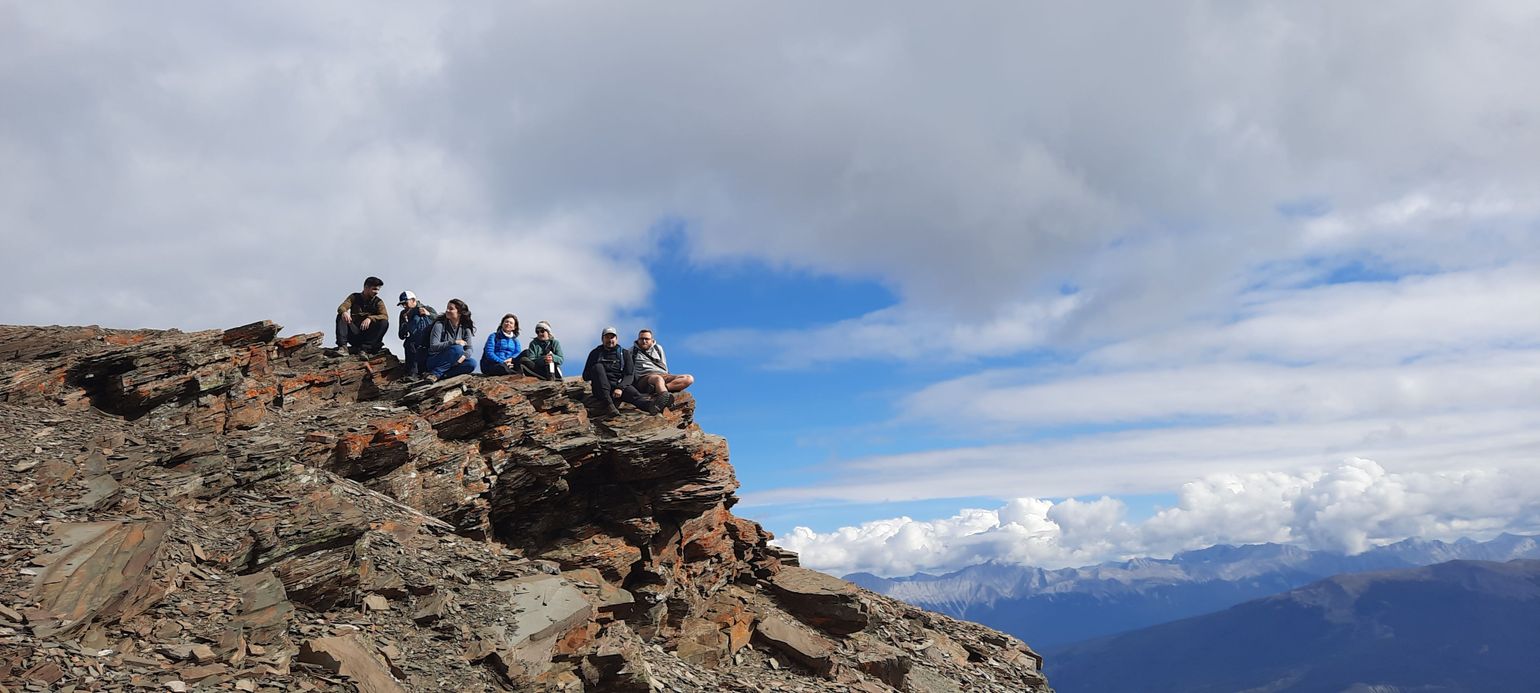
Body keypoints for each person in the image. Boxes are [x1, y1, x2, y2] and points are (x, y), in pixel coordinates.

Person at [583, 326, 668, 417]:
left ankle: (653, 407)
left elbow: (629, 374)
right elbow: (585, 376)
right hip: (601, 388)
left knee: (635, 395)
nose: (610, 340)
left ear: (616, 339)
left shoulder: (624, 353)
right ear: (602, 339)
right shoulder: (595, 353)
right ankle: (609, 406)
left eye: (612, 337)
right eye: (607, 337)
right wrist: (597, 374)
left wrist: (620, 387)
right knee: (597, 367)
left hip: (617, 386)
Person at [330, 276, 389, 356]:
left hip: (368, 336)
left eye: (378, 289)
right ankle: (343, 348)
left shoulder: (378, 302)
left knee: (384, 322)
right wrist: (344, 312)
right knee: (341, 316)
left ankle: (364, 350)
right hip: (354, 333)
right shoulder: (354, 297)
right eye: (374, 289)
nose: (377, 292)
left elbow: (384, 316)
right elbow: (342, 307)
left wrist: (370, 318)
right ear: (366, 287)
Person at [423, 298, 476, 382]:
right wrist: (454, 342)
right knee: (457, 348)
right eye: (447, 308)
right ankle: (436, 373)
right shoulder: (439, 325)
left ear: (459, 313)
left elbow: (469, 348)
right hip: (436, 360)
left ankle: (440, 375)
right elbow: (433, 346)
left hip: (454, 361)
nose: (447, 310)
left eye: (451, 309)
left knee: (472, 363)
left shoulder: (466, 329)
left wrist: (463, 357)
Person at [632, 328, 694, 396]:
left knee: (689, 378)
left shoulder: (658, 348)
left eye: (647, 339)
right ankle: (663, 397)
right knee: (657, 378)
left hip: (663, 375)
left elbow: (664, 364)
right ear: (638, 339)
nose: (644, 341)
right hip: (644, 379)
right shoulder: (631, 352)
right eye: (641, 339)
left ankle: (661, 389)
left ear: (652, 340)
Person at [396, 290, 437, 377]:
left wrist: (428, 314)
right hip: (413, 342)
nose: (404, 306)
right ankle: (412, 374)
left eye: (406, 303)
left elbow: (439, 321)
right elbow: (401, 335)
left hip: (428, 339)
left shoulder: (427, 308)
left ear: (413, 300)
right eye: (402, 304)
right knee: (409, 344)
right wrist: (405, 323)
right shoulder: (403, 314)